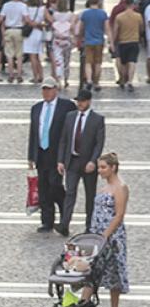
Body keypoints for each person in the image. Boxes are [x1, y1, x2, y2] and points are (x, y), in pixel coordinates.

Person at [82, 152, 129, 307]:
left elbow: (119, 214)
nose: (100, 171)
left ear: (113, 168)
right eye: (99, 167)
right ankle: (82, 305)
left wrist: (105, 235)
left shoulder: (120, 187)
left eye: (103, 167)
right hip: (97, 235)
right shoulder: (105, 186)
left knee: (113, 273)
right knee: (91, 269)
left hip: (112, 238)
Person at [27, 77, 76, 234]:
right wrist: (31, 155)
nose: (46, 92)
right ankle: (47, 221)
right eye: (44, 89)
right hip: (41, 153)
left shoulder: (66, 106)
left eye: (49, 89)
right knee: (43, 187)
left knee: (55, 185)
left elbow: (70, 131)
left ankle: (64, 214)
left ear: (56, 89)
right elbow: (33, 133)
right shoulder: (36, 108)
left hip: (57, 153)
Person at [57, 89, 105, 233]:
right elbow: (64, 140)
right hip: (72, 161)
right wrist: (61, 160)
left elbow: (99, 143)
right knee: (70, 193)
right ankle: (64, 224)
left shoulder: (97, 119)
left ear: (89, 101)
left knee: (90, 195)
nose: (80, 104)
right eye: (78, 101)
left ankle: (89, 226)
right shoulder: (70, 117)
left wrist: (93, 161)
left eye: (83, 101)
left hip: (88, 163)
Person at [78, 0, 109, 92]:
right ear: (99, 2)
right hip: (99, 41)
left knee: (88, 62)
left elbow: (81, 28)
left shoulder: (85, 13)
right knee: (98, 63)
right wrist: (109, 40)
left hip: (88, 41)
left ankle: (89, 80)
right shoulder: (103, 13)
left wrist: (79, 38)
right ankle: (96, 82)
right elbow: (107, 28)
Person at [113, 0, 142, 92]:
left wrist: (113, 42)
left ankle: (122, 79)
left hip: (122, 42)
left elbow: (115, 31)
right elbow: (141, 29)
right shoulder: (138, 16)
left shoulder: (119, 17)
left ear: (125, 5)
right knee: (132, 61)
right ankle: (130, 81)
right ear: (133, 5)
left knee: (123, 62)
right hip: (134, 41)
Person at [0, 0, 28, 83]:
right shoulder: (23, 6)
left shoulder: (6, 5)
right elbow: (26, 18)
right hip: (19, 30)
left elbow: (2, 18)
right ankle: (19, 75)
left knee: (9, 55)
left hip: (8, 29)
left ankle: (11, 75)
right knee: (19, 55)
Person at [22, 0, 48, 83]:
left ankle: (35, 76)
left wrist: (33, 24)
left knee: (32, 56)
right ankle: (41, 75)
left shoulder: (26, 9)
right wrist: (41, 24)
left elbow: (25, 21)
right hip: (39, 33)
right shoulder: (42, 9)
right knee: (37, 56)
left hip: (30, 34)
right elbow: (50, 20)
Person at [50, 0, 75, 88]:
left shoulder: (55, 15)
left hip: (57, 40)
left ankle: (58, 79)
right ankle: (66, 79)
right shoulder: (70, 14)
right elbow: (72, 27)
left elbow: (52, 25)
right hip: (67, 40)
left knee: (58, 60)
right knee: (67, 60)